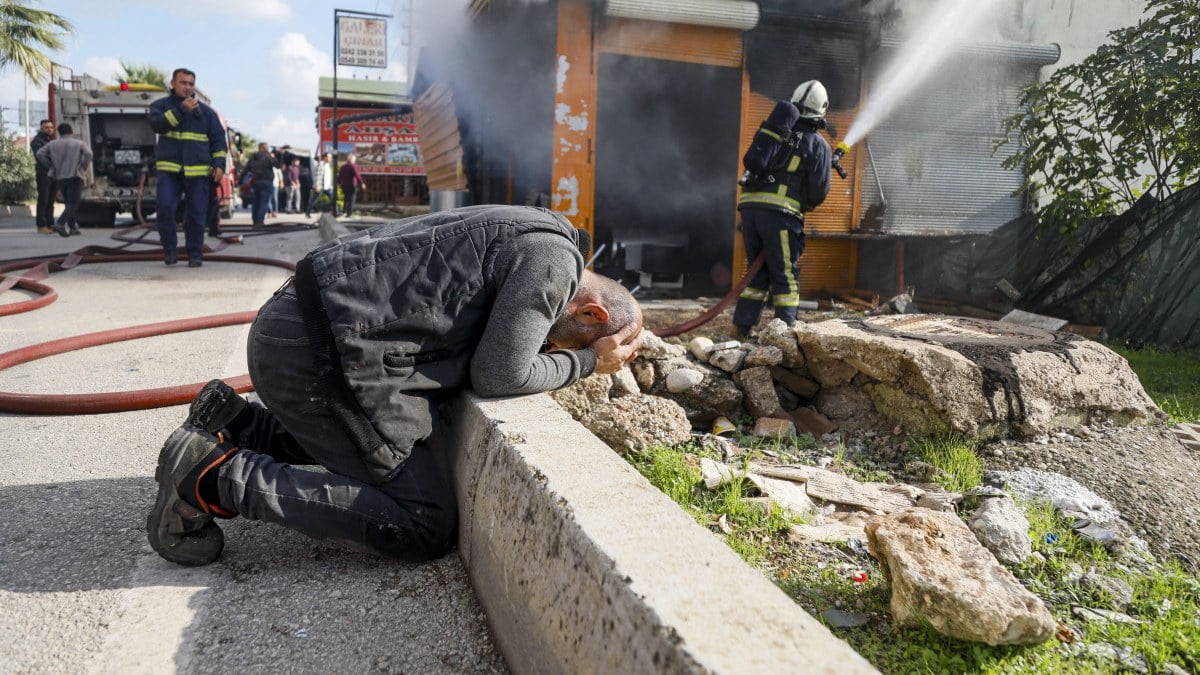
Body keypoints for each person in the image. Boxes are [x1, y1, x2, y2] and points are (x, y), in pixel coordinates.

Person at [146, 205, 644, 566]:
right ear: (591, 313)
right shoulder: (552, 266)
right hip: (316, 356)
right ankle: (211, 477)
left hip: (298, 333)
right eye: (568, 340)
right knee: (423, 523)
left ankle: (235, 423)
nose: (548, 350)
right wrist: (585, 361)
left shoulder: (538, 229)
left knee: (365, 439)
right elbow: (502, 375)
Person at [732, 80, 833, 338]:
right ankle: (786, 334)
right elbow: (818, 191)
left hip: (751, 209)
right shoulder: (818, 144)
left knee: (756, 271)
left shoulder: (776, 132)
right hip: (781, 215)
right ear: (821, 110)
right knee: (785, 274)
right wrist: (802, 204)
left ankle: (742, 329)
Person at [147, 68, 228, 267]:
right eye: (183, 83)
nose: (187, 87)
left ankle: (195, 254)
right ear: (173, 84)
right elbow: (158, 125)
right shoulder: (160, 106)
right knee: (165, 208)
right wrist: (182, 110)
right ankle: (170, 250)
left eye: (191, 84)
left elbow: (218, 141)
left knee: (196, 214)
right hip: (170, 171)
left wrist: (219, 164)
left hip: (198, 173)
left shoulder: (207, 114)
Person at [35, 123, 92, 238]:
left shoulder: (52, 144)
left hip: (60, 177)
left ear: (59, 132)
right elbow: (88, 154)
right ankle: (60, 223)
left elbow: (39, 154)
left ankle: (72, 227)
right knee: (74, 203)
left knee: (68, 203)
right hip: (75, 176)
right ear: (71, 132)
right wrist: (83, 166)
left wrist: (51, 166)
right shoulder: (79, 143)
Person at [30, 119, 56, 234]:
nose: (49, 129)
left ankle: (50, 224)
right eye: (46, 127)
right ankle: (41, 225)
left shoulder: (51, 140)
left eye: (51, 127)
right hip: (43, 174)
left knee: (51, 200)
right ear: (41, 128)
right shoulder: (37, 141)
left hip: (53, 174)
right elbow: (40, 156)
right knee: (43, 200)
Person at [244, 143, 276, 226]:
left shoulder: (253, 157)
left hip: (256, 181)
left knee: (256, 202)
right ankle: (259, 221)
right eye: (267, 147)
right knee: (263, 202)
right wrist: (275, 155)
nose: (268, 149)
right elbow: (277, 164)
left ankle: (255, 220)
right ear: (263, 148)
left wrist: (240, 181)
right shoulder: (268, 156)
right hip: (266, 181)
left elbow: (246, 169)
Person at [337, 153, 365, 218]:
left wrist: (339, 184)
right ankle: (349, 214)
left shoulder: (343, 167)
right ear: (351, 160)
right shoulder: (353, 166)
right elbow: (357, 175)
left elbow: (339, 176)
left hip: (344, 185)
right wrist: (362, 183)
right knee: (351, 200)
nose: (354, 161)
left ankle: (344, 212)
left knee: (346, 199)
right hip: (351, 185)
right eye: (354, 160)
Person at [307, 152, 334, 217]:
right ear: (325, 157)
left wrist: (330, 185)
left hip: (327, 187)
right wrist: (316, 185)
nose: (330, 158)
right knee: (314, 200)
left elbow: (328, 176)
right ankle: (307, 213)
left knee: (333, 199)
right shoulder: (321, 164)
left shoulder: (328, 165)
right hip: (320, 186)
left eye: (331, 157)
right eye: (329, 157)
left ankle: (337, 212)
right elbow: (317, 176)